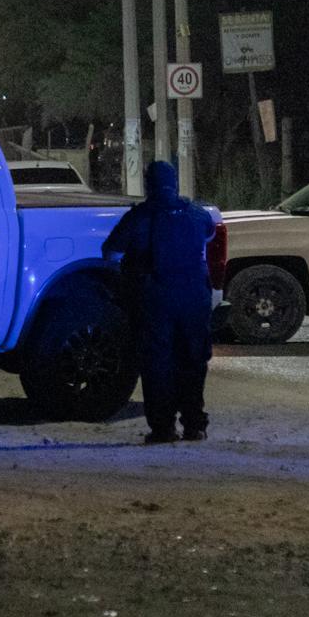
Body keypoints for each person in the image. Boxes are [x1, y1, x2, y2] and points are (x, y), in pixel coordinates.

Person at [104, 160, 217, 445]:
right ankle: (194, 425)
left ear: (148, 185)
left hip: (156, 299)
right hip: (194, 298)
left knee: (158, 364)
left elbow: (111, 251)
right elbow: (210, 232)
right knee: (193, 361)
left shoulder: (140, 217)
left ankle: (163, 427)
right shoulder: (196, 213)